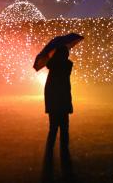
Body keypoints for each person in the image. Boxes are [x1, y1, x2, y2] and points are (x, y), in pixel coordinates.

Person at [43, 46, 73, 175]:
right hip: (63, 99)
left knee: (53, 127)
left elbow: (50, 65)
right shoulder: (67, 65)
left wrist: (51, 57)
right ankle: (64, 150)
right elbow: (66, 67)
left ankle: (50, 149)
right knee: (64, 127)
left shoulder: (51, 65)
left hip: (53, 101)